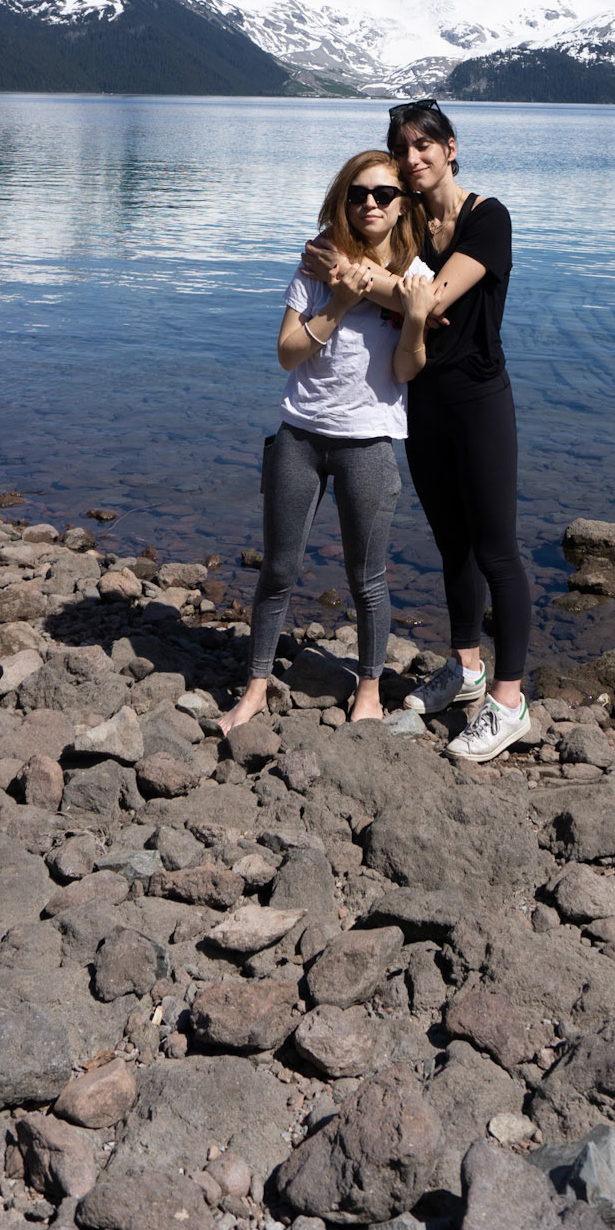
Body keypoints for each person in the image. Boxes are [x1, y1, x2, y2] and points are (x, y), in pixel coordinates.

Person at [303, 98, 532, 763]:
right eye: (401, 148)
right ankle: (467, 668)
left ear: (450, 148)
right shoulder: (405, 227)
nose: (412, 159)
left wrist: (355, 279)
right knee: (451, 545)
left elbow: (430, 301)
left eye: (423, 145)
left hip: (479, 402)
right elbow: (340, 250)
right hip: (420, 402)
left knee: (496, 550)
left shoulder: (487, 218)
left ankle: (509, 702)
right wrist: (353, 270)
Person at [221, 150, 433, 733]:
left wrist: (415, 320)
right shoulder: (317, 266)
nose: (370, 204)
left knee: (368, 579)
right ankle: (255, 688)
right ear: (344, 200)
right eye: (357, 194)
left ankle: (369, 690)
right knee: (278, 571)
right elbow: (287, 353)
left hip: (369, 443)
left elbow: (407, 370)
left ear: (402, 206)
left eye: (384, 195)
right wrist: (339, 302)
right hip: (300, 436)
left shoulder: (414, 277)